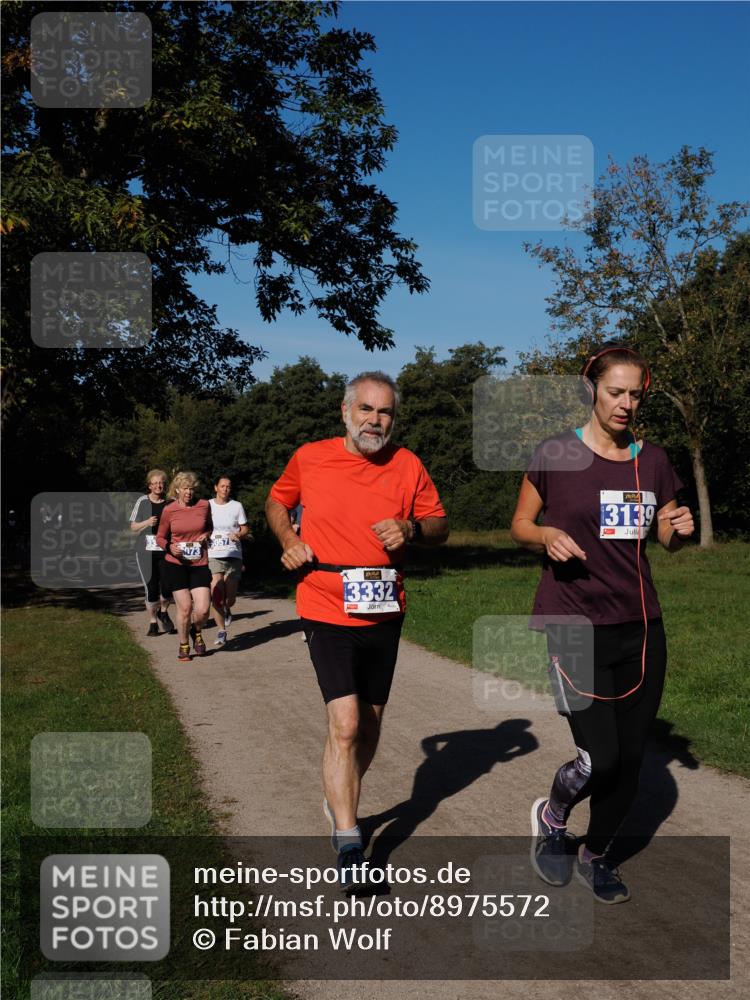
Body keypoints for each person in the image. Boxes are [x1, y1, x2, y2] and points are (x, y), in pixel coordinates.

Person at [510, 343, 694, 904]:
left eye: (635, 394)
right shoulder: (556, 453)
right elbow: (520, 523)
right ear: (591, 388)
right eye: (616, 392)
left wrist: (679, 527)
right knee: (602, 757)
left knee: (631, 760)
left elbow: (665, 536)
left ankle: (596, 856)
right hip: (573, 622)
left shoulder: (654, 461)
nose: (626, 404)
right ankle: (553, 817)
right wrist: (545, 535)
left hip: (640, 627)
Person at [265, 371, 449, 888]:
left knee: (368, 727)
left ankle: (338, 793)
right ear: (345, 412)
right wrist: (289, 539)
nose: (375, 420)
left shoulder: (408, 464)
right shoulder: (311, 457)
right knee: (345, 724)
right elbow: (277, 501)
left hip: (384, 608)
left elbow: (440, 525)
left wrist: (411, 528)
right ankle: (349, 841)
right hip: (324, 601)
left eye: (385, 412)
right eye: (366, 409)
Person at [156, 471, 213, 662]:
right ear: (177, 490)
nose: (189, 492)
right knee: (186, 607)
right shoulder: (169, 510)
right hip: (176, 564)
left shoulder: (204, 505)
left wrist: (207, 534)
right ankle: (183, 644)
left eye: (191, 489)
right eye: (185, 488)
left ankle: (196, 631)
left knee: (203, 609)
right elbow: (160, 537)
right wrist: (170, 547)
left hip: (199, 562)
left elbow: (210, 526)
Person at [129, 470, 175, 636]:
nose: (158, 486)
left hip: (165, 550)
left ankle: (164, 612)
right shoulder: (142, 501)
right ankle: (153, 621)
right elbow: (133, 527)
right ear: (149, 486)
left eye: (161, 482)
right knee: (151, 587)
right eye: (154, 483)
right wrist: (147, 522)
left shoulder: (171, 502)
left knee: (168, 586)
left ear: (164, 484)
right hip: (145, 551)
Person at [208, 475, 251, 646]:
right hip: (213, 553)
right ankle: (221, 631)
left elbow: (245, 528)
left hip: (233, 554)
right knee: (216, 593)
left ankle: (227, 609)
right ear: (216, 487)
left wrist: (239, 534)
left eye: (228, 486)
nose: (225, 489)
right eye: (222, 486)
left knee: (229, 599)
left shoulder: (236, 506)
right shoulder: (207, 505)